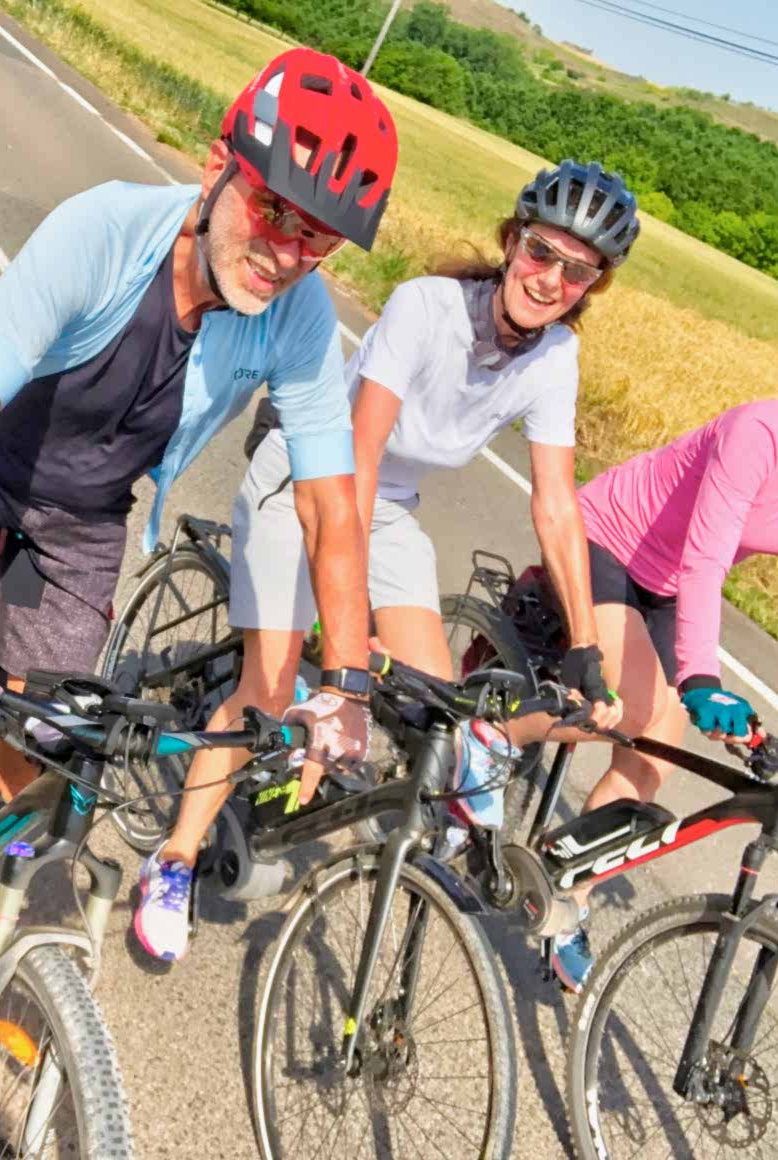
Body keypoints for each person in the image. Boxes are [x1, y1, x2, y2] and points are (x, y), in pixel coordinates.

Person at [0, 48, 399, 927]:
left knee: (50, 725)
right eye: (273, 209)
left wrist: (346, 685)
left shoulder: (300, 317)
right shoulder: (105, 232)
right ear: (216, 166)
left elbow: (328, 500)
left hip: (83, 511)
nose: (286, 253)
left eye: (320, 237)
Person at [136, 160, 637, 961]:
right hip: (310, 476)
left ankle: (336, 779)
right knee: (266, 689)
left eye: (578, 272)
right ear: (512, 243)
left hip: (390, 512)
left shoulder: (554, 360)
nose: (551, 279)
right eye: (542, 253)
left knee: (439, 706)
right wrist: (349, 639)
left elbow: (554, 502)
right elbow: (356, 461)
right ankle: (174, 858)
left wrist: (585, 647)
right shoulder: (426, 307)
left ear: (591, 287)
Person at [548, 313, 778, 992]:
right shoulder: (763, 431)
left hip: (671, 584)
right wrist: (702, 674)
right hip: (606, 541)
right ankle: (483, 728)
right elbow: (709, 554)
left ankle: (565, 892)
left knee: (659, 746)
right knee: (641, 712)